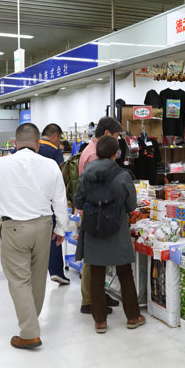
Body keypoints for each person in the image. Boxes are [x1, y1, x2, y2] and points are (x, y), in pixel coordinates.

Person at [0, 123, 68, 349]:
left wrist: (2, 192)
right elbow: (60, 199)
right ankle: (32, 320)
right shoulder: (50, 164)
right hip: (44, 226)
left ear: (15, 143)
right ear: (38, 143)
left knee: (19, 280)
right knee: (38, 277)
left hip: (14, 227)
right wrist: (61, 228)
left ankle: (29, 333)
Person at [73, 136, 145, 333]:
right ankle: (133, 317)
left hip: (93, 229)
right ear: (116, 153)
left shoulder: (86, 173)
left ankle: (100, 321)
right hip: (117, 229)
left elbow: (78, 201)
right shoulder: (123, 175)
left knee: (96, 274)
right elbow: (131, 205)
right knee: (125, 274)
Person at [77, 116, 122, 315]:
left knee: (97, 256)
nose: (117, 141)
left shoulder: (90, 149)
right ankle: (89, 300)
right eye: (116, 136)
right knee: (92, 258)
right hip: (96, 213)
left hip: (93, 211)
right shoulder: (96, 155)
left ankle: (98, 294)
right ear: (106, 134)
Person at [39, 123, 71, 286]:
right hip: (49, 198)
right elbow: (61, 175)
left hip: (28, 201)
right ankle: (56, 271)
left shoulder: (31, 147)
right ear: (55, 136)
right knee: (53, 234)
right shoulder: (54, 150)